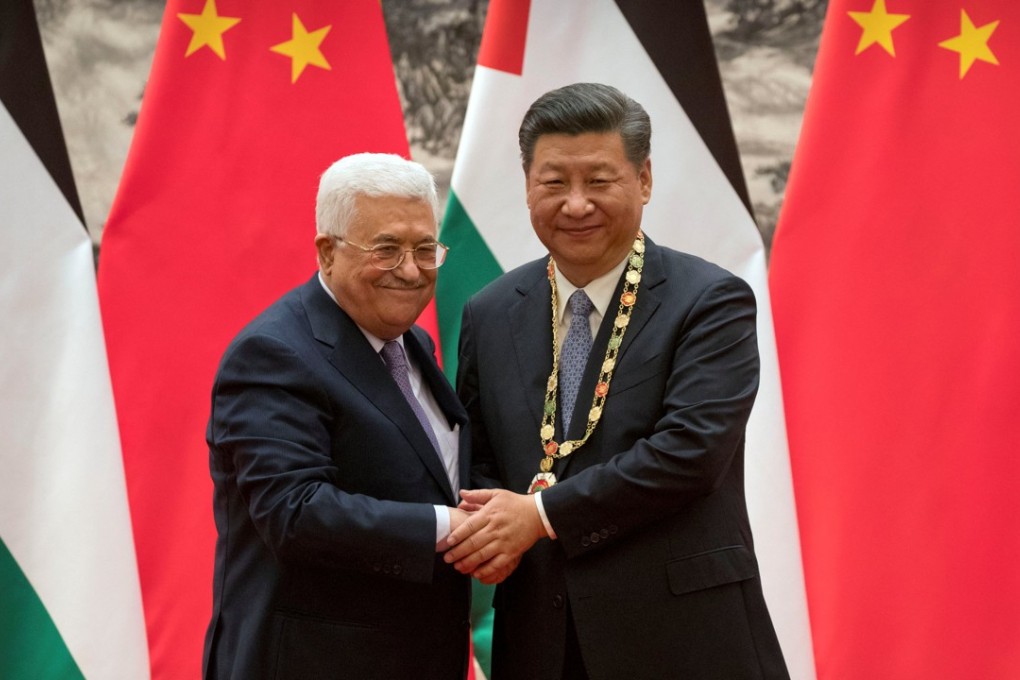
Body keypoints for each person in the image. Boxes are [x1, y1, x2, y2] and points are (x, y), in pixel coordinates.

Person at [445, 83, 789, 679]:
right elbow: (479, 454)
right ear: (527, 185)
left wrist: (540, 515)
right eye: (554, 183)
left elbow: (690, 453)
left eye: (599, 181)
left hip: (681, 638)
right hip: (540, 640)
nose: (576, 205)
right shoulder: (490, 310)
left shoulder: (710, 301)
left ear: (645, 180)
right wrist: (484, 526)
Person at [203, 153, 471, 680]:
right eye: (387, 249)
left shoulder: (411, 341)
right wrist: (452, 529)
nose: (412, 270)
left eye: (424, 249)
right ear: (328, 253)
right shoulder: (273, 353)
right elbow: (295, 512)